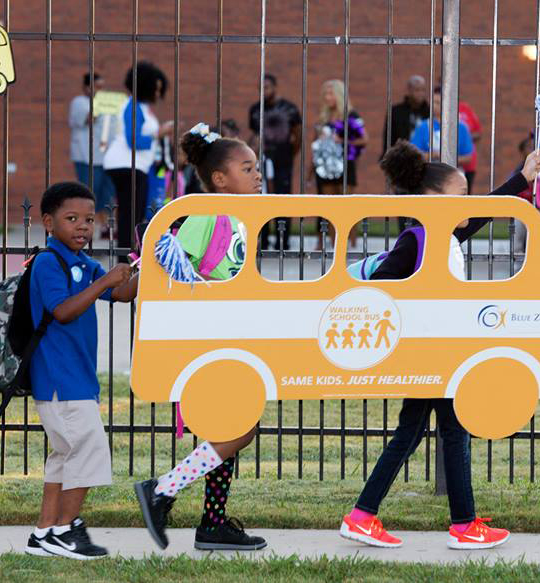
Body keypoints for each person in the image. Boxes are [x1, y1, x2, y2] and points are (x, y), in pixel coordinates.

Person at [339, 140, 540, 551]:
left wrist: (523, 178)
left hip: (441, 353)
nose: (468, 202)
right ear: (432, 200)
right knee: (449, 430)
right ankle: (461, 524)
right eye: (460, 194)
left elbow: (486, 210)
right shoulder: (416, 240)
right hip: (426, 353)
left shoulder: (448, 235)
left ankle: (367, 515)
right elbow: (380, 288)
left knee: (425, 432)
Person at [134, 123, 266, 553]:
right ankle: (162, 490)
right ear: (220, 179)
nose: (258, 174)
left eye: (257, 166)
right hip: (207, 340)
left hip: (231, 336)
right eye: (248, 168)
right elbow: (176, 269)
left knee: (228, 428)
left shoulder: (241, 219)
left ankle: (212, 523)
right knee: (240, 429)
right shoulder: (207, 212)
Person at [23, 182, 138, 559]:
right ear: (47, 222)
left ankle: (43, 533)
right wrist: (104, 280)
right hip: (59, 382)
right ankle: (65, 531)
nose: (82, 227)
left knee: (64, 456)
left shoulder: (83, 263)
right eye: (71, 219)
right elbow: (63, 310)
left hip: (77, 380)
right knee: (87, 451)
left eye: (89, 220)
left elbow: (120, 294)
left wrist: (145, 269)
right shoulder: (48, 262)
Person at [104, 62, 174, 258]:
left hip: (134, 166)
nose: (159, 93)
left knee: (133, 214)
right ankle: (124, 260)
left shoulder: (140, 107)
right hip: (126, 165)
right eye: (157, 88)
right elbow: (133, 140)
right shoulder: (133, 106)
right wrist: (159, 133)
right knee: (129, 215)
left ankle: (128, 257)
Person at [248, 74, 301, 250]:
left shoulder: (290, 109)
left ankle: (282, 240)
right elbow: (255, 135)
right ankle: (262, 239)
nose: (264, 91)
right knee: (260, 199)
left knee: (282, 200)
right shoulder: (255, 109)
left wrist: (290, 154)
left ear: (275, 87)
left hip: (283, 162)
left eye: (267, 87)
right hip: (261, 162)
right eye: (261, 88)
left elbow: (298, 135)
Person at [311, 79, 366, 248]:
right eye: (325, 94)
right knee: (327, 207)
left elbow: (363, 140)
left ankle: (349, 241)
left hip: (345, 165)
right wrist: (310, 172)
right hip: (324, 167)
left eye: (330, 93)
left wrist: (341, 140)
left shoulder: (351, 116)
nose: (327, 97)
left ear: (339, 95)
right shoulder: (323, 118)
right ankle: (331, 242)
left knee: (345, 205)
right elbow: (315, 146)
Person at [69, 72, 116, 237]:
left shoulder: (108, 105)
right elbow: (89, 118)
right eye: (97, 86)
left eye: (102, 87)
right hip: (86, 157)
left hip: (106, 158)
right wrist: (104, 104)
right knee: (88, 194)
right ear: (86, 87)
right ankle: (85, 228)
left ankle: (106, 228)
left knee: (107, 195)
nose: (100, 90)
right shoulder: (80, 103)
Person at [410, 87, 474, 170]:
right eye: (432, 102)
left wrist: (447, 158)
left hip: (454, 174)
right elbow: (414, 154)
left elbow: (468, 157)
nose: (433, 106)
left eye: (437, 103)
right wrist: (434, 154)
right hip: (429, 174)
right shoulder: (424, 126)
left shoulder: (461, 127)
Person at [381, 75, 430, 154]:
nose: (420, 94)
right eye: (417, 90)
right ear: (409, 91)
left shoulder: (429, 112)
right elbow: (388, 137)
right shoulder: (396, 112)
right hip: (402, 155)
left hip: (425, 155)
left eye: (423, 90)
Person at [458, 100, 482, 194]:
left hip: (466, 165)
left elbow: (478, 133)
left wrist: (464, 137)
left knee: (465, 195)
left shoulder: (465, 109)